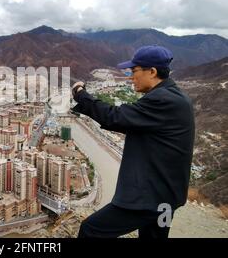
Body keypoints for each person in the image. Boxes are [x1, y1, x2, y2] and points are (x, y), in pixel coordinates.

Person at [72, 45, 195, 238]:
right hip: (167, 198)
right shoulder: (175, 96)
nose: (130, 77)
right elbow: (126, 122)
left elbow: (114, 117)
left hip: (149, 200)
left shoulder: (162, 100)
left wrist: (81, 95)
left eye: (134, 71)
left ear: (152, 72)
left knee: (91, 230)